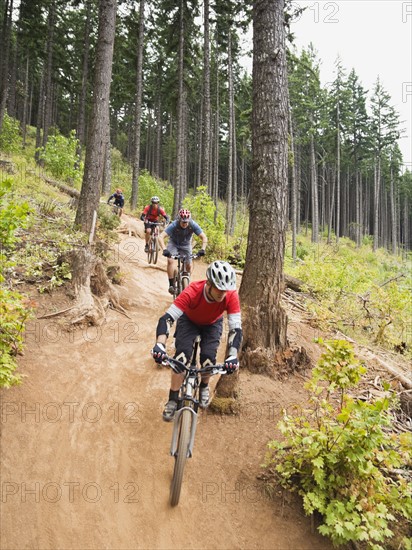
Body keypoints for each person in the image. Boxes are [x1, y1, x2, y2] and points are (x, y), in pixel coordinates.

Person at [151, 260, 242, 421]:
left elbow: (235, 329)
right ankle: (173, 399)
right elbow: (166, 319)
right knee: (181, 357)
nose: (223, 293)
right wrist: (160, 344)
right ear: (209, 283)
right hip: (189, 321)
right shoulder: (192, 291)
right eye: (219, 289)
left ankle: (204, 386)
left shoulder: (231, 295)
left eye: (225, 290)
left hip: (213, 324)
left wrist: (233, 355)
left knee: (208, 358)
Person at [158, 209, 208, 294]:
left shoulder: (193, 224)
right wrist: (165, 249)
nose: (185, 224)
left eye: (186, 222)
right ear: (179, 220)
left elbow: (204, 237)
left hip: (186, 245)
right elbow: (161, 237)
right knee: (170, 260)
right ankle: (171, 285)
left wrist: (203, 249)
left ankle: (185, 278)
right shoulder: (174, 225)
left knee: (188, 265)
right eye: (183, 222)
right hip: (173, 243)